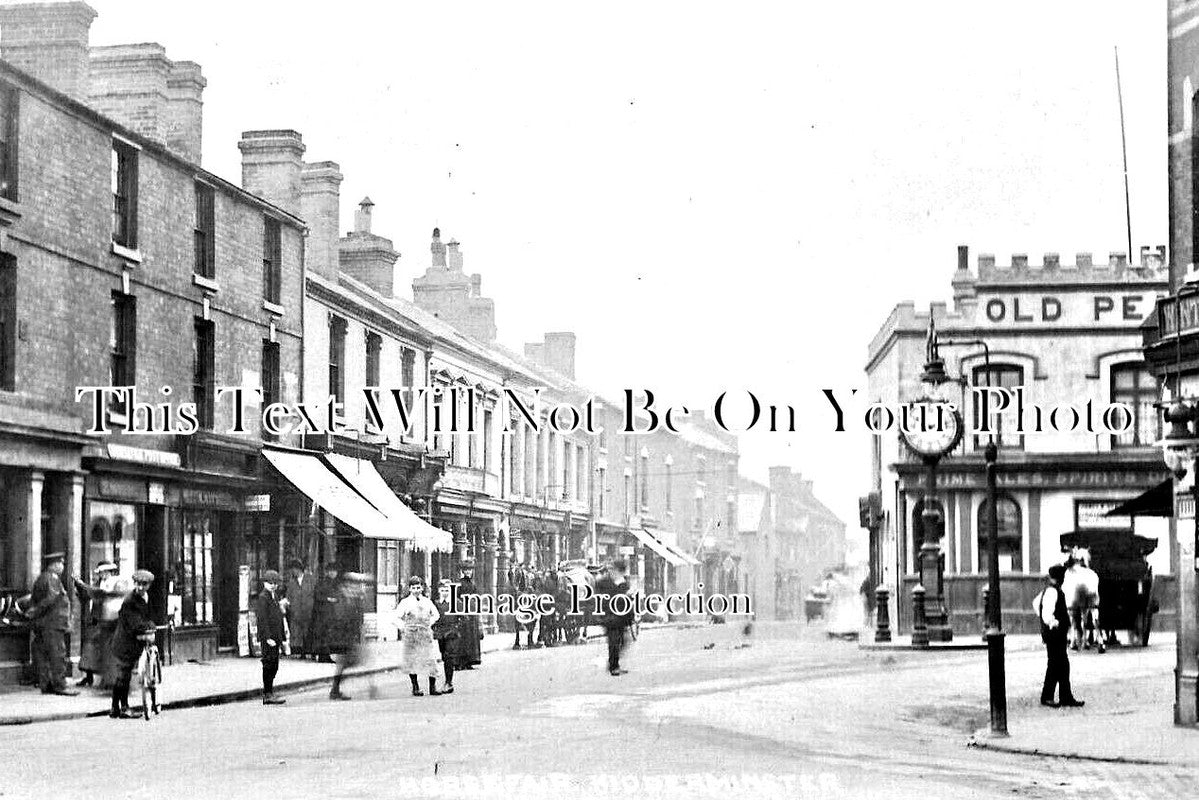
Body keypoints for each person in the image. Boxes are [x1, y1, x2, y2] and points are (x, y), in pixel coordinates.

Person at [26, 552, 78, 696]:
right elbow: (51, 598)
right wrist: (34, 611)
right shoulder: (52, 578)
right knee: (57, 654)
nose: (62, 566)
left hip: (44, 624)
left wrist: (34, 613)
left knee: (43, 655)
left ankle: (46, 684)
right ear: (54, 565)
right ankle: (60, 686)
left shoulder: (42, 578)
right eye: (60, 563)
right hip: (52, 624)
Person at [107, 570, 156, 719]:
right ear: (134, 583)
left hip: (131, 641)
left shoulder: (146, 597)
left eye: (144, 584)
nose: (140, 587)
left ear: (149, 585)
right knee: (123, 675)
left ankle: (115, 709)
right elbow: (135, 624)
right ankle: (123, 708)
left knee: (123, 674)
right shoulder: (130, 601)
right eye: (137, 584)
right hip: (125, 641)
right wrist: (150, 625)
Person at [1035, 564, 1085, 709]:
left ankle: (1065, 696)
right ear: (1060, 577)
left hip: (1055, 634)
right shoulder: (1052, 592)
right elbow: (1046, 613)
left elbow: (1036, 604)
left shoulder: (1050, 590)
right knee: (1055, 665)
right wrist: (1053, 622)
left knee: (1062, 665)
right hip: (1054, 634)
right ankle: (1048, 697)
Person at [73, 562, 130, 688]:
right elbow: (88, 595)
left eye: (105, 573)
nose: (102, 575)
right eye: (101, 573)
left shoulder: (114, 583)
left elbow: (101, 594)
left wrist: (85, 586)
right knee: (90, 648)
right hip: (96, 618)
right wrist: (80, 587)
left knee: (105, 649)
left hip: (108, 620)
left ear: (110, 572)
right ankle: (89, 676)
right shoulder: (99, 584)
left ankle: (107, 678)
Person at [395, 575, 444, 696]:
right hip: (411, 634)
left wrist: (429, 623)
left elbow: (436, 615)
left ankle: (432, 687)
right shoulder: (405, 602)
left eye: (418, 587)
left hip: (425, 634)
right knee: (412, 660)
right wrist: (403, 627)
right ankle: (415, 686)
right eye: (414, 588)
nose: (416, 590)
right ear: (410, 589)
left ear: (422, 588)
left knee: (430, 659)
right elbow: (396, 617)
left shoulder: (427, 602)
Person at [596, 559, 633, 676]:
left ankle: (613, 663)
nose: (611, 572)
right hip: (609, 617)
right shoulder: (603, 582)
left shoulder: (624, 583)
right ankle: (614, 667)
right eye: (611, 569)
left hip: (621, 617)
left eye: (614, 570)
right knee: (614, 641)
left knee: (623, 641)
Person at [255, 570, 287, 705]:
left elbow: (278, 617)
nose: (273, 585)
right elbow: (262, 619)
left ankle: (270, 691)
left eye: (275, 583)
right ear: (264, 583)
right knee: (269, 664)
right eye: (270, 583)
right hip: (269, 637)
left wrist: (282, 637)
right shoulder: (263, 597)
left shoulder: (274, 596)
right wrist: (267, 637)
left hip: (275, 636)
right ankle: (267, 693)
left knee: (274, 664)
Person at [431, 579, 464, 694]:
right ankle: (448, 681)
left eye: (447, 590)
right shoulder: (436, 603)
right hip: (441, 633)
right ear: (439, 591)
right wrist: (434, 628)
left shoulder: (456, 603)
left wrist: (456, 627)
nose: (445, 592)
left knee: (448, 656)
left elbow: (464, 618)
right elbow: (433, 617)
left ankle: (448, 682)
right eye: (442, 590)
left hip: (452, 633)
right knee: (444, 656)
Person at [282, 559, 315, 658]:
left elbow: (314, 594)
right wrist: (287, 604)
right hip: (296, 613)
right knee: (298, 633)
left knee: (308, 631)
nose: (293, 572)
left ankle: (309, 651)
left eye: (294, 569)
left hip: (309, 611)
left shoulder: (310, 580)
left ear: (299, 569)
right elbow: (288, 597)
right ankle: (301, 652)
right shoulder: (292, 583)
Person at [454, 559, 483, 669]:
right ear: (463, 571)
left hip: (472, 614)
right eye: (466, 570)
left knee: (471, 638)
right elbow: (456, 599)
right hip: (463, 613)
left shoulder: (473, 584)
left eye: (470, 570)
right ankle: (460, 662)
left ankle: (469, 661)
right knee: (463, 639)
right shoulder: (459, 583)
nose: (468, 572)